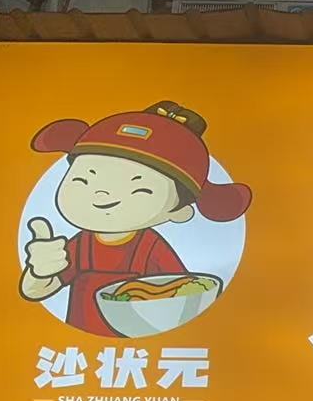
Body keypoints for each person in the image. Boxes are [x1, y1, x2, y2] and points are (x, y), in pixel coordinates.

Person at [21, 100, 253, 337]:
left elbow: (183, 292)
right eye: (83, 180)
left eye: (139, 190)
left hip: (145, 342)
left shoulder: (150, 247)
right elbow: (36, 291)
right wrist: (40, 271)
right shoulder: (82, 244)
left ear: (178, 212)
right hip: (83, 345)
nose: (102, 194)